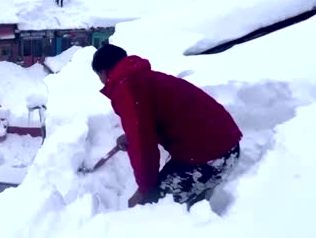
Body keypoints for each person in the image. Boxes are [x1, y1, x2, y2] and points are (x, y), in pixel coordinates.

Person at [91, 44, 242, 210]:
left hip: (208, 158)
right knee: (180, 200)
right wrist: (132, 136)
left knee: (151, 208)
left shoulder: (126, 88)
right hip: (226, 147)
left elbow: (143, 145)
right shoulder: (143, 79)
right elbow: (147, 122)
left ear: (103, 72)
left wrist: (144, 190)